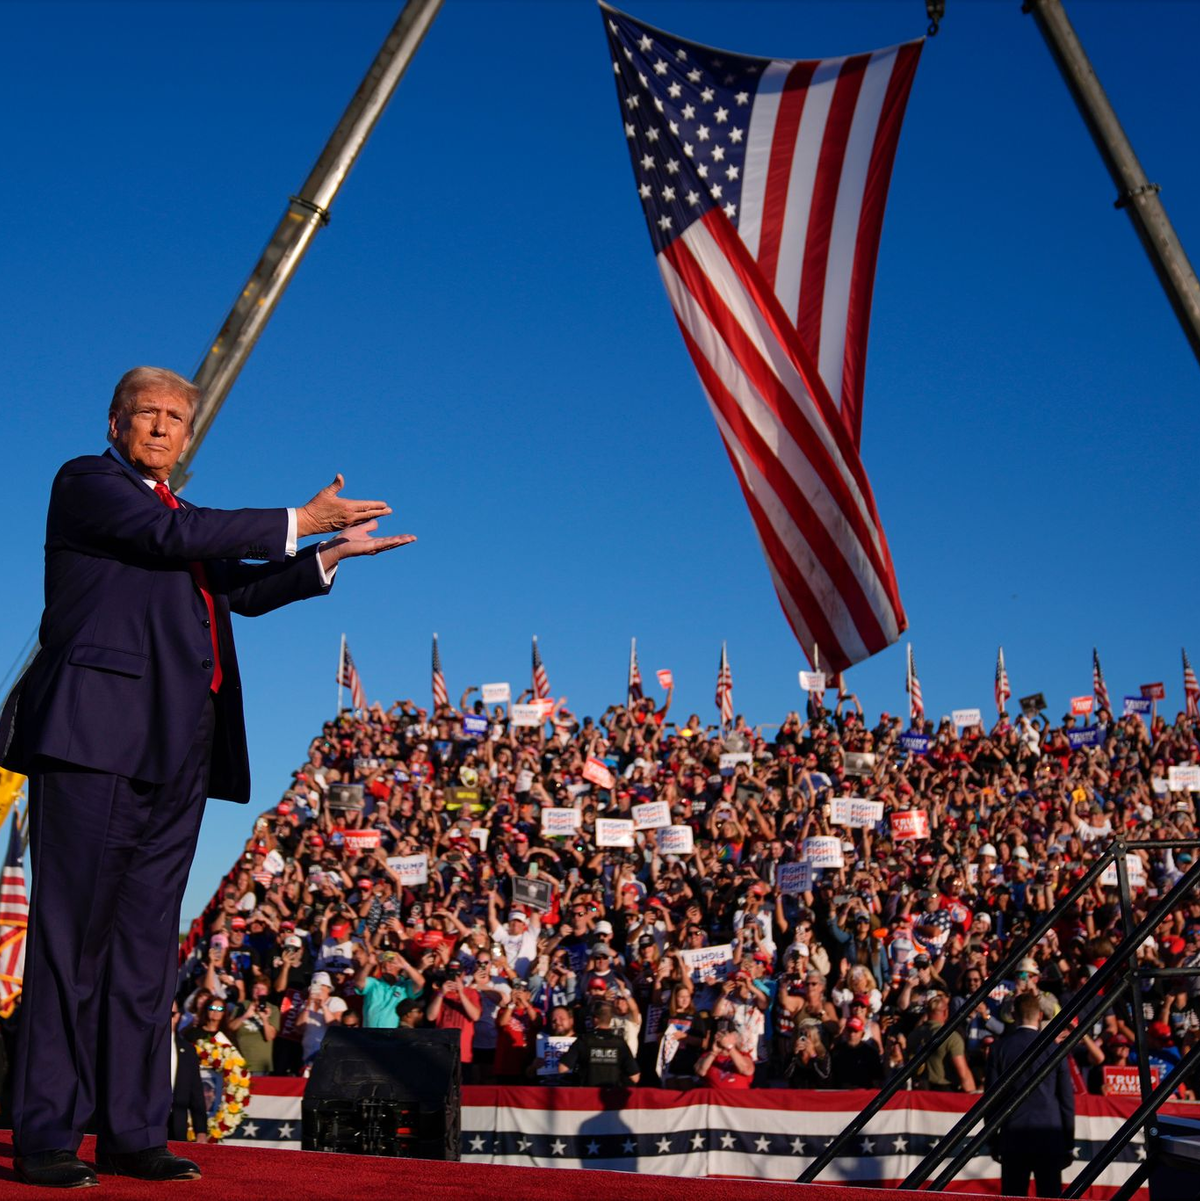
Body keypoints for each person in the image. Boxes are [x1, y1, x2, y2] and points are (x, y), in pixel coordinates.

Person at [0, 366, 414, 1188]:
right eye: (146, 412)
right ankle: (46, 1132)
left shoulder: (181, 520)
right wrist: (297, 519)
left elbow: (236, 588)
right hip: (94, 743)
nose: (161, 426)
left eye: (176, 418)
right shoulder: (88, 484)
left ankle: (132, 1131)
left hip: (181, 753)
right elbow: (175, 539)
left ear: (189, 436)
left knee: (148, 955)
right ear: (115, 423)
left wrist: (323, 555)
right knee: (70, 945)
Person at [984, 992, 1075, 1198]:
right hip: (1049, 1136)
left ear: (1013, 1015)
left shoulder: (999, 1048)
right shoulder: (1054, 1049)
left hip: (1013, 1135)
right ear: (1040, 1015)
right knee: (1049, 1195)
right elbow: (1066, 1100)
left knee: (1014, 1195)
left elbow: (991, 1101)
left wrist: (992, 1140)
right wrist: (1068, 1144)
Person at [557, 1002, 641, 1086]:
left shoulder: (584, 1040)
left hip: (587, 1092)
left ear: (595, 1019)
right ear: (611, 1019)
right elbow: (635, 1077)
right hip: (611, 1093)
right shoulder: (620, 1043)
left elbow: (562, 1068)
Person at [166, 1005, 207, 1145]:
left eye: (171, 1014)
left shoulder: (188, 1050)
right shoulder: (144, 1047)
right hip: (147, 1123)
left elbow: (196, 1091)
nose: (167, 1018)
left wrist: (201, 1130)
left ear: (178, 1016)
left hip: (177, 1122)